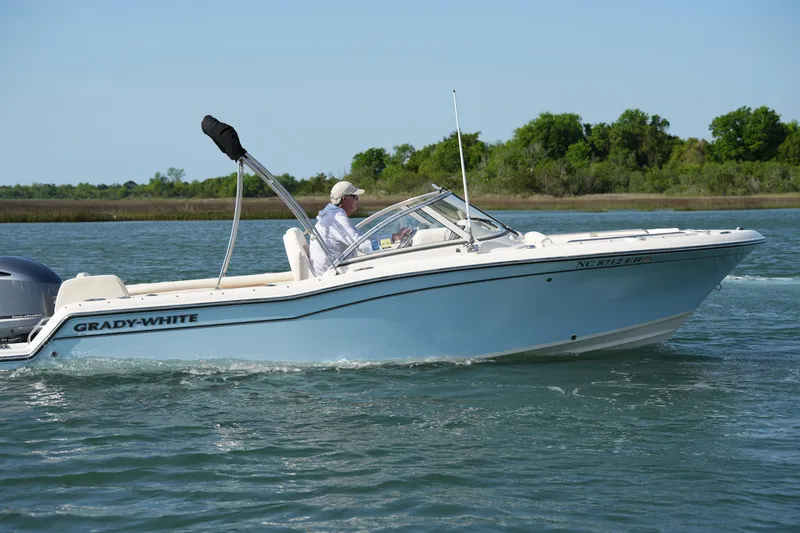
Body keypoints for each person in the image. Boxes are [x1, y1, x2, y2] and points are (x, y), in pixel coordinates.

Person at [308, 181, 410, 276]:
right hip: (332, 275)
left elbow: (362, 240)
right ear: (344, 199)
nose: (357, 200)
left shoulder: (333, 215)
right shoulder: (336, 217)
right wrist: (391, 240)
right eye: (355, 197)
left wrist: (393, 238)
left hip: (335, 270)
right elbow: (363, 245)